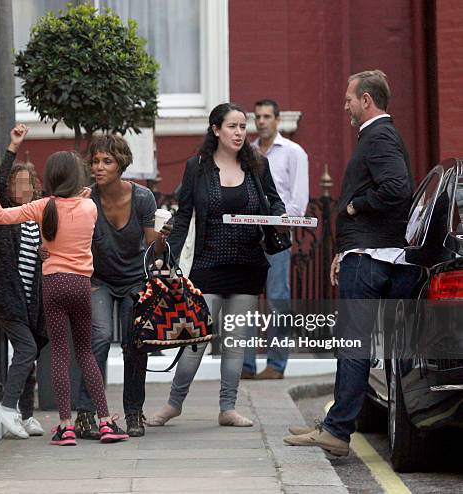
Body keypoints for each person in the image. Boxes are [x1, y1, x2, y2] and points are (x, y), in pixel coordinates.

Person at [284, 70, 420, 456]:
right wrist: (343, 251)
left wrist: (355, 206)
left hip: (371, 258)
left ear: (366, 100)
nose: (344, 104)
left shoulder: (378, 136)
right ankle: (336, 424)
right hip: (370, 254)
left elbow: (397, 188)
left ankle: (338, 431)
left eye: (348, 98)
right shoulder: (380, 135)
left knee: (353, 344)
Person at [147, 102, 286, 428]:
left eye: (242, 127)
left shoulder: (257, 165)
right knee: (196, 341)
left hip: (248, 265)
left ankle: (228, 408)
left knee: (236, 343)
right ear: (215, 130)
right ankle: (174, 403)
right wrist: (168, 261)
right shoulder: (197, 167)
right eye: (232, 127)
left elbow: (275, 201)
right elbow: (183, 218)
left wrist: (280, 217)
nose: (239, 133)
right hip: (207, 265)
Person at [0, 150, 129, 446]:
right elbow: (81, 200)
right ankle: (106, 422)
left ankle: (65, 426)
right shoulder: (90, 208)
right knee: (85, 354)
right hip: (82, 286)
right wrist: (82, 193)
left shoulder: (43, 206)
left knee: (59, 354)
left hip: (53, 284)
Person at [73, 135, 170, 440]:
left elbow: (153, 251)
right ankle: (87, 414)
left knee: (135, 343)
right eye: (96, 161)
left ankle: (133, 412)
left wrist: (163, 236)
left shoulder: (142, 198)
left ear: (121, 164)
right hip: (99, 278)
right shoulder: (86, 200)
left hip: (134, 279)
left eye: (107, 161)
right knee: (99, 336)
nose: (99, 167)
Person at [241, 99, 309, 380]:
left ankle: (276, 364)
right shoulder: (248, 153)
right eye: (257, 117)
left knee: (277, 298)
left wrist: (276, 221)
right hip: (248, 236)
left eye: (267, 116)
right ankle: (245, 365)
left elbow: (299, 200)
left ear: (278, 120)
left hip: (276, 236)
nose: (261, 122)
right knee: (243, 299)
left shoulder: (294, 152)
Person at [0, 124, 49, 439]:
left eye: (29, 183)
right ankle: (8, 407)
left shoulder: (38, 218)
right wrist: (13, 147)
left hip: (32, 301)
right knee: (26, 351)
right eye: (18, 183)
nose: (23, 188)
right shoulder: (6, 215)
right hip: (9, 298)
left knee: (30, 356)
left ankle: (26, 415)